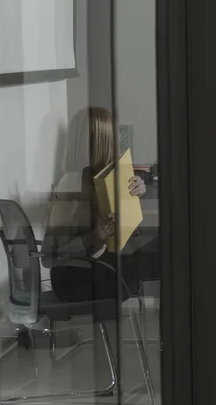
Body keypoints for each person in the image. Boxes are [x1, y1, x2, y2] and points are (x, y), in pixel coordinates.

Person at [42, 106, 159, 302]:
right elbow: (50, 255)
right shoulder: (72, 182)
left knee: (159, 252)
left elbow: (126, 234)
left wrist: (133, 196)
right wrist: (97, 235)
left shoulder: (97, 181)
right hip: (75, 279)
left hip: (92, 268)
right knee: (166, 255)